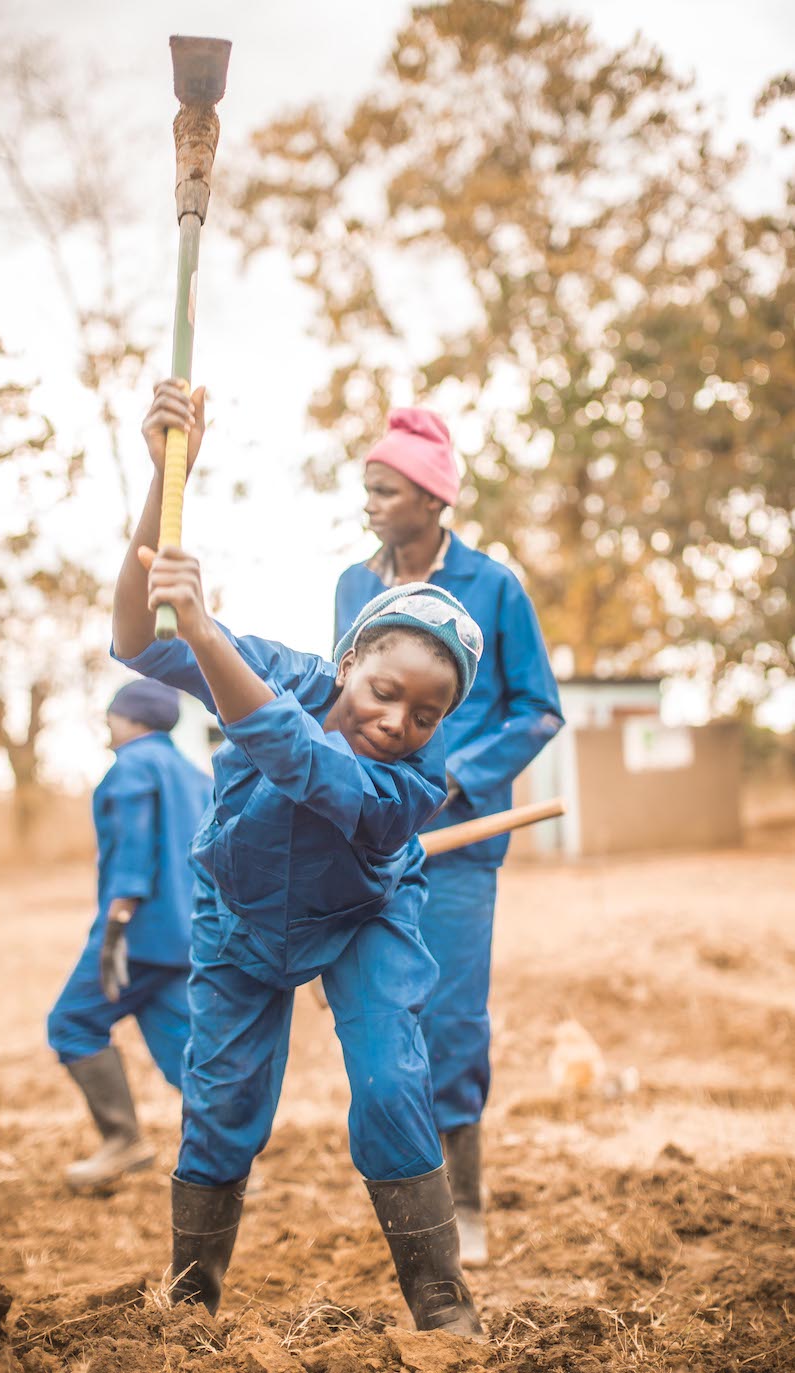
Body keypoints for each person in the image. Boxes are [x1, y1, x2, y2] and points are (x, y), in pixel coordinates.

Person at [110, 379, 486, 1336]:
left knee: (396, 1079)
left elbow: (302, 762)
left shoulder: (410, 785)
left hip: (364, 918)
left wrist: (205, 630)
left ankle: (438, 1291)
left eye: (425, 714)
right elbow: (134, 640)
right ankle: (192, 1288)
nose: (396, 720)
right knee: (225, 1099)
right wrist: (166, 476)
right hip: (239, 919)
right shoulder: (285, 671)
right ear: (349, 658)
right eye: (384, 688)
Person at [334, 408, 564, 1263]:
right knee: (381, 1015)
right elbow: (341, 696)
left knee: (451, 1015)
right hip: (369, 836)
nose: (370, 505)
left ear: (431, 499)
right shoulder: (353, 588)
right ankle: (411, 1194)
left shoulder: (494, 587)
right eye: (366, 488)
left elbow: (538, 709)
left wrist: (453, 773)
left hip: (460, 842)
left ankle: (464, 1200)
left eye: (384, 490)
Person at [47, 677, 212, 1189]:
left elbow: (134, 853)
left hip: (137, 935)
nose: (108, 723)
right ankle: (225, 1154)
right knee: (184, 1050)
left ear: (131, 718)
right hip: (186, 936)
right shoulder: (195, 774)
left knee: (73, 1023)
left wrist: (116, 926)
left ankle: (123, 1141)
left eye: (112, 714)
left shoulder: (133, 767)